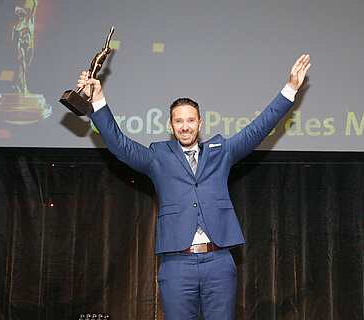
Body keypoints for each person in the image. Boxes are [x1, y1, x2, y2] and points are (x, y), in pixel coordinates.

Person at [76, 54, 311, 320]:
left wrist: (290, 88)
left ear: (200, 123)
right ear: (171, 126)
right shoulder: (158, 157)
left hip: (219, 262)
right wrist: (97, 98)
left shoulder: (222, 150)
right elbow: (118, 143)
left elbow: (259, 128)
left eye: (190, 120)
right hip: (177, 264)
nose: (185, 126)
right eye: (179, 121)